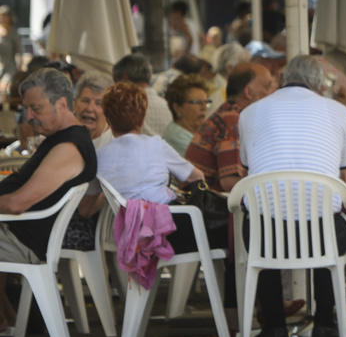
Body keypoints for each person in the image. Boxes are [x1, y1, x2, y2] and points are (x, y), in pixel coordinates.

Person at [237, 54, 346, 337]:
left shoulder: (250, 113)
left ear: (281, 79)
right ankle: (325, 325)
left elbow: (246, 167)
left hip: (266, 235)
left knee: (261, 220)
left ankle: (275, 327)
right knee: (327, 221)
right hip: (321, 233)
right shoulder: (339, 112)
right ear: (319, 85)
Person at [90, 82, 205, 252]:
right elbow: (196, 176)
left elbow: (86, 210)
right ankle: (183, 280)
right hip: (166, 229)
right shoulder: (156, 145)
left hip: (119, 234)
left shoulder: (98, 156)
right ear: (143, 118)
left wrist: (114, 194)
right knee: (198, 229)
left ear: (108, 120)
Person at [0, 68, 98, 265]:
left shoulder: (69, 148)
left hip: (22, 240)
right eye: (26, 109)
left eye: (36, 109)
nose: (28, 116)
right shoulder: (59, 139)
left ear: (61, 104)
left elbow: (17, 204)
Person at [185, 63, 276, 193]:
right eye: (268, 87)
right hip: (210, 207)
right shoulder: (232, 120)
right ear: (248, 92)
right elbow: (230, 182)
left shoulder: (232, 114)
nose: (273, 93)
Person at [111, 53, 172, 137]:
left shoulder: (124, 107)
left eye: (115, 83)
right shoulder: (167, 105)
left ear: (124, 78)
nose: (115, 89)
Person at [162, 74, 212, 157]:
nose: (204, 107)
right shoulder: (176, 138)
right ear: (177, 107)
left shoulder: (199, 131)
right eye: (197, 102)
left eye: (206, 102)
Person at [72, 72, 115, 150]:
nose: (90, 108)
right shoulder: (60, 141)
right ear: (74, 104)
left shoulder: (115, 147)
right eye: (85, 101)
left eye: (98, 103)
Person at [0, 5, 19, 95]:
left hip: (9, 66)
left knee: (4, 86)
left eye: (5, 15)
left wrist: (20, 65)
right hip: (0, 65)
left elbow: (19, 51)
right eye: (1, 15)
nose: (3, 18)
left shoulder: (14, 33)